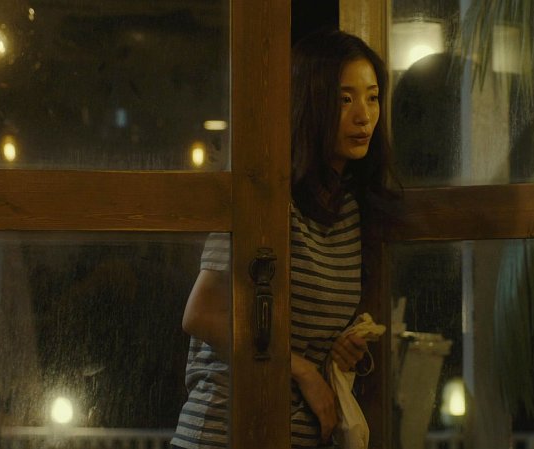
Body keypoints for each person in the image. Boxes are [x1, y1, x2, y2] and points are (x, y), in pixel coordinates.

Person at [170, 29, 398, 448]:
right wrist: (301, 370)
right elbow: (201, 314)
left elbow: (306, 330)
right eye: (344, 99)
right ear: (310, 103)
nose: (364, 116)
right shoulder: (264, 195)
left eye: (372, 97)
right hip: (226, 432)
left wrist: (340, 351)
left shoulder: (350, 208)